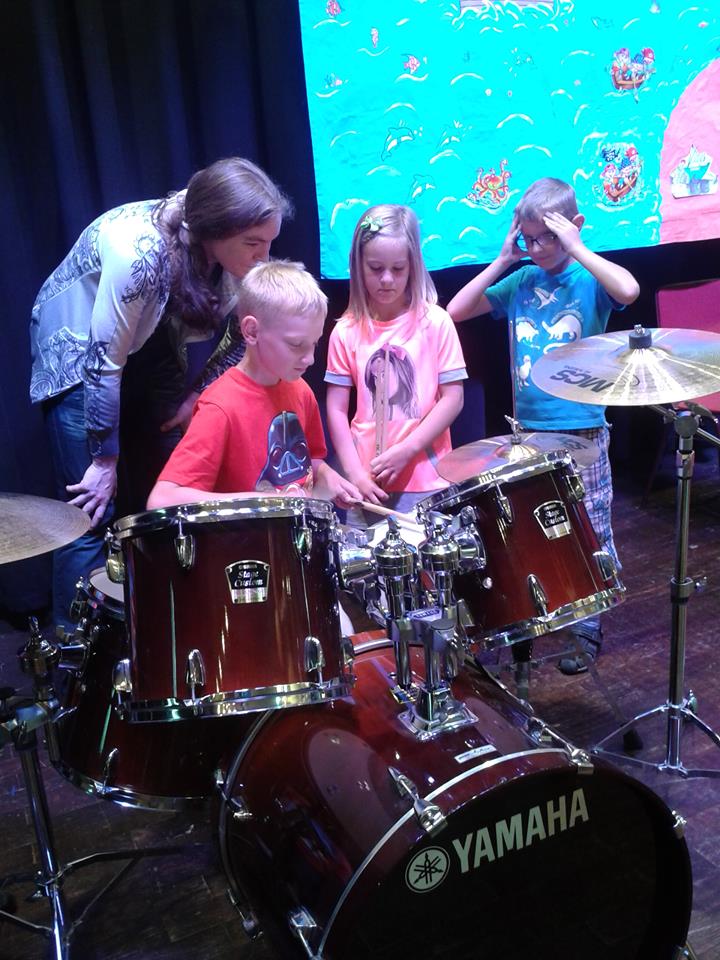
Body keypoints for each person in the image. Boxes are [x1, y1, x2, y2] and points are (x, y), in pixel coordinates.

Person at [30, 157, 292, 631]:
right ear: (214, 229)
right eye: (254, 243)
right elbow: (103, 362)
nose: (263, 255)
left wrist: (195, 396)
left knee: (168, 499)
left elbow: (243, 334)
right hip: (80, 352)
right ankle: (76, 653)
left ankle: (165, 635)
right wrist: (104, 462)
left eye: (269, 242)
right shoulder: (139, 252)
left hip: (151, 344)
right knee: (90, 513)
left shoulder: (233, 253)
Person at [447, 176, 640, 674]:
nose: (536, 249)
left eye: (546, 238)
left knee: (590, 524)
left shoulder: (589, 280)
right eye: (528, 239)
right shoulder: (521, 282)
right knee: (534, 524)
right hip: (528, 430)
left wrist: (577, 247)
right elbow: (455, 311)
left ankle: (588, 624)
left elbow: (629, 289)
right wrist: (503, 260)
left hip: (581, 428)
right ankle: (535, 611)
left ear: (573, 226)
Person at [147, 259, 361, 510]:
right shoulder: (220, 406)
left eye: (314, 343)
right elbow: (163, 499)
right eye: (296, 345)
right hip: (245, 537)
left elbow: (309, 462)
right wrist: (265, 502)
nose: (310, 359)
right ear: (251, 331)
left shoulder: (301, 391)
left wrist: (327, 476)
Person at [324, 204, 467, 527]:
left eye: (398, 269)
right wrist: (355, 473)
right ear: (358, 264)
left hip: (427, 479)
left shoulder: (435, 322)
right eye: (375, 268)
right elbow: (336, 409)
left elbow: (453, 398)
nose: (387, 279)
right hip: (368, 485)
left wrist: (408, 449)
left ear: (413, 266)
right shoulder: (345, 330)